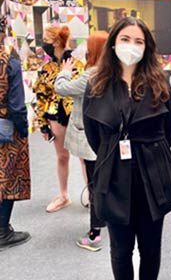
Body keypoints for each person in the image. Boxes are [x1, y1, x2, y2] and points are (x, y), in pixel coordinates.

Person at [83, 17, 171, 280]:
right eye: (126, 39)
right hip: (113, 178)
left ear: (147, 47)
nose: (132, 46)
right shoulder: (96, 85)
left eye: (139, 41)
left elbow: (169, 131)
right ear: (113, 43)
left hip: (153, 176)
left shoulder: (160, 83)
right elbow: (95, 136)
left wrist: (145, 151)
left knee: (151, 248)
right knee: (121, 251)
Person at [55, 31, 109, 252]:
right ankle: (104, 220)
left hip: (91, 137)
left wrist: (64, 72)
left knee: (95, 184)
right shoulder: (111, 73)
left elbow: (62, 89)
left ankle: (95, 233)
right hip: (105, 137)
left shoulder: (92, 74)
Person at [33, 25, 82, 213]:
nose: (43, 44)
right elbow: (40, 97)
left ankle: (92, 195)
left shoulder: (78, 65)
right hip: (54, 116)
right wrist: (43, 125)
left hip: (77, 116)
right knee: (62, 156)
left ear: (56, 43)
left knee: (85, 158)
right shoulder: (46, 68)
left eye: (46, 41)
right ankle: (63, 195)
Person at [0, 15, 31, 250]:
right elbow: (17, 105)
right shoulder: (9, 61)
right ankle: (2, 231)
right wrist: (23, 130)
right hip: (6, 130)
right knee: (7, 178)